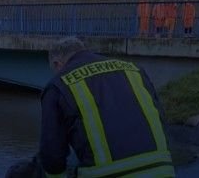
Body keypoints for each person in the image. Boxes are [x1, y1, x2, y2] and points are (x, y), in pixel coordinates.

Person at [34, 37, 173, 178]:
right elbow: (160, 118)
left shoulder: (58, 85)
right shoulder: (134, 70)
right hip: (162, 170)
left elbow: (52, 154)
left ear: (58, 64)